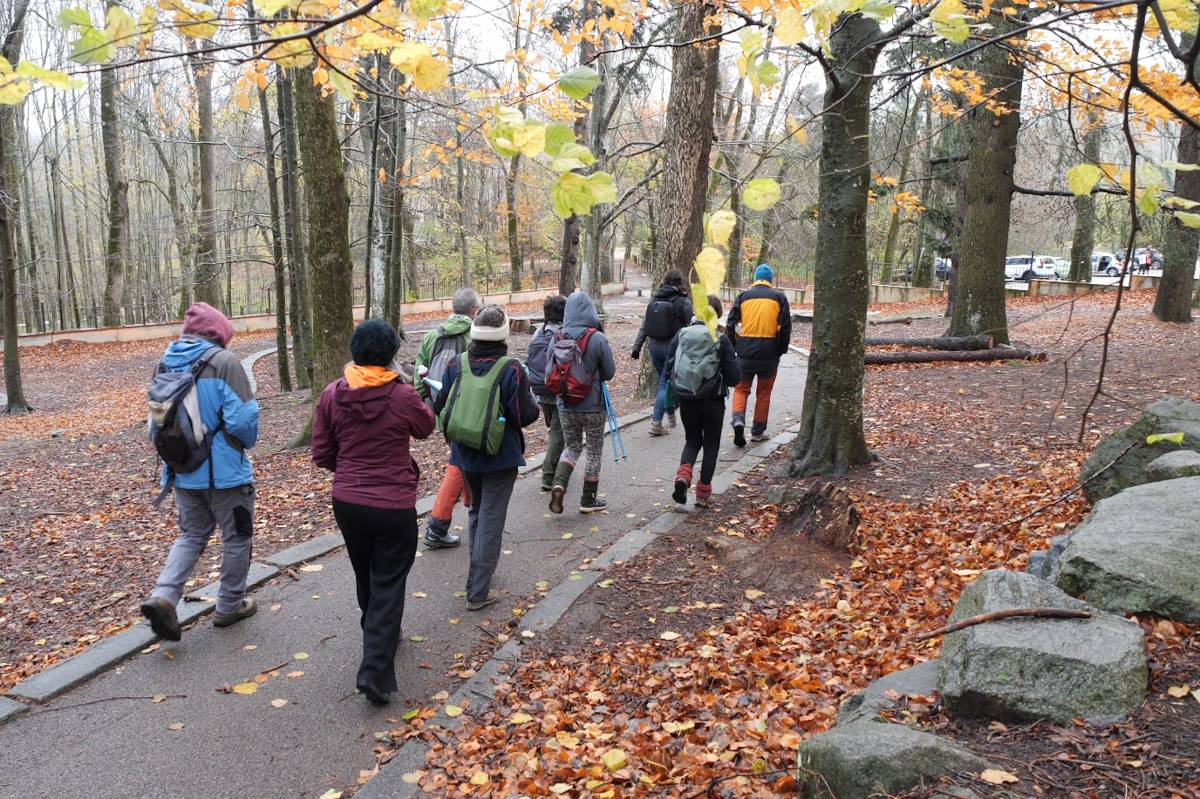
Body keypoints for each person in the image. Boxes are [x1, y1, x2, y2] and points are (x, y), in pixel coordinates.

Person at [311, 320, 435, 705]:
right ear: (391, 356)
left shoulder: (332, 394)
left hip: (348, 502)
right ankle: (375, 672)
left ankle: (377, 632)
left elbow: (322, 453)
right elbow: (426, 427)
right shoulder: (401, 395)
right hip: (392, 504)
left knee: (367, 573)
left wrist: (351, 471)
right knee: (388, 580)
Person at [139, 302, 260, 642]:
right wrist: (240, 446)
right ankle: (229, 606)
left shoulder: (165, 362)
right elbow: (244, 421)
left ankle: (164, 596)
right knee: (237, 536)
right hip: (225, 474)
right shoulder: (225, 363)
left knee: (192, 535)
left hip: (180, 472)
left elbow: (154, 424)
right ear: (218, 333)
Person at [433, 305, 539, 610]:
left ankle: (477, 578)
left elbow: (442, 404)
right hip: (500, 456)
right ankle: (478, 591)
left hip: (465, 453)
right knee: (491, 518)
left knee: (478, 512)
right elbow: (524, 415)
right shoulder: (511, 368)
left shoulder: (457, 364)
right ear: (503, 333)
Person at [416, 287, 480, 549]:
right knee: (459, 465)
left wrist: (430, 404)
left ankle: (471, 509)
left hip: (444, 414)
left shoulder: (433, 336)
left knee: (464, 462)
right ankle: (437, 526)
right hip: (468, 415)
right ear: (474, 310)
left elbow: (419, 372)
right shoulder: (474, 336)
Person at [666, 295, 741, 509]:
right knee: (711, 444)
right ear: (717, 315)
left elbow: (669, 368)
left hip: (686, 398)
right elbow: (734, 377)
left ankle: (683, 477)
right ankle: (703, 494)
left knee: (692, 441)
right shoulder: (720, 339)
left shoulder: (681, 335)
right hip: (713, 401)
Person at [547, 291, 617, 514]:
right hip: (593, 406)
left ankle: (559, 483)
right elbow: (609, 372)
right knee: (594, 451)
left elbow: (548, 371)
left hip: (565, 404)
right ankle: (588, 499)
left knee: (572, 447)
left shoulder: (557, 336)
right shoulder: (596, 337)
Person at [727, 264, 791, 446]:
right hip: (769, 353)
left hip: (745, 352)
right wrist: (781, 349)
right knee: (764, 393)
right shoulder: (779, 298)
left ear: (755, 278)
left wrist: (733, 347)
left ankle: (738, 420)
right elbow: (785, 327)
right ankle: (757, 432)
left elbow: (730, 324)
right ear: (770, 280)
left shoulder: (743, 297)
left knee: (741, 389)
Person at [631, 270, 692, 436]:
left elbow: (644, 325)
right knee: (666, 383)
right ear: (680, 283)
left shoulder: (655, 299)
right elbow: (691, 327)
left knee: (665, 382)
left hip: (653, 347)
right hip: (673, 348)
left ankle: (671, 415)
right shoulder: (683, 302)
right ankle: (656, 422)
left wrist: (637, 346)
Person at [527, 294, 568, 492]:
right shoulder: (563, 334)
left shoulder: (538, 333)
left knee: (554, 430)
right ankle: (548, 475)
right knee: (557, 434)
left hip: (540, 390)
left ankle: (558, 466)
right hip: (558, 390)